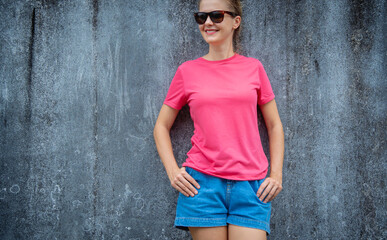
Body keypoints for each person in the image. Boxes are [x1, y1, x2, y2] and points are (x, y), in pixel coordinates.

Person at [153, 0, 284, 239]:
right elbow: (161, 126)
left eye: (216, 15)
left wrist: (276, 175)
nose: (208, 23)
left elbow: (274, 125)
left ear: (236, 21)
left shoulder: (254, 68)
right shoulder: (187, 71)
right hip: (201, 185)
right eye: (201, 17)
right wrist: (173, 171)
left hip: (251, 186)